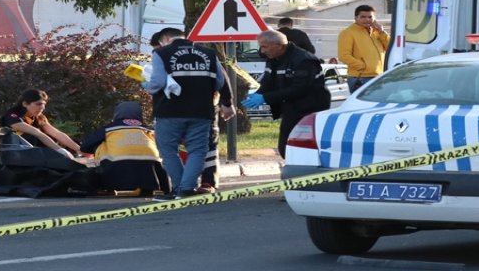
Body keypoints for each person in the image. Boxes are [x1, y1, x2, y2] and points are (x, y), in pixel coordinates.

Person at [143, 28, 235, 199]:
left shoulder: (162, 53)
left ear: (165, 39)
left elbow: (158, 82)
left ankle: (179, 188)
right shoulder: (208, 53)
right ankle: (187, 188)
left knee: (168, 150)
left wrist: (146, 85)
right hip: (201, 111)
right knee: (198, 150)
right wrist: (227, 103)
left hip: (169, 111)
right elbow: (221, 81)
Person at [241, 30, 331, 158]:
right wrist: (258, 94)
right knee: (285, 146)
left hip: (310, 109)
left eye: (265, 46)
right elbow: (268, 81)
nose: (262, 51)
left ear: (280, 45)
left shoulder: (304, 60)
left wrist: (265, 97)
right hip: (290, 107)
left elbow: (300, 89)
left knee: (305, 146)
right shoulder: (273, 58)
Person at [79, 101, 170, 196]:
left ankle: (108, 188)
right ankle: (147, 188)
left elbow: (85, 146)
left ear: (117, 113)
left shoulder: (109, 129)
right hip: (150, 175)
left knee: (101, 144)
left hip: (115, 173)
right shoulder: (150, 130)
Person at [0, 89, 83, 156]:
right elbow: (37, 133)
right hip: (4, 151)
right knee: (32, 137)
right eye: (38, 104)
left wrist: (80, 149)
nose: (43, 107)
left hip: (24, 150)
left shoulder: (39, 117)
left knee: (72, 141)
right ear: (25, 104)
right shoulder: (12, 116)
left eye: (44, 104)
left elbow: (57, 134)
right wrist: (61, 151)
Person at [337, 4, 389, 92]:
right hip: (361, 78)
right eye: (363, 17)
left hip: (379, 77)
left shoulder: (377, 32)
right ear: (356, 18)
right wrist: (363, 66)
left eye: (370, 17)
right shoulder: (348, 33)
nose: (367, 20)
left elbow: (390, 48)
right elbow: (343, 56)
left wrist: (382, 32)